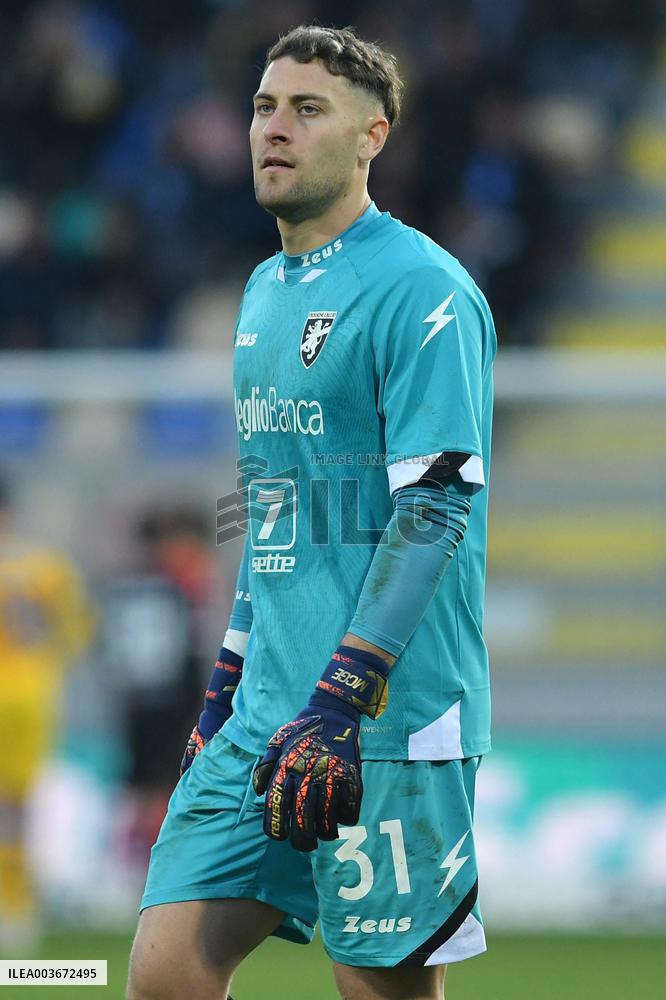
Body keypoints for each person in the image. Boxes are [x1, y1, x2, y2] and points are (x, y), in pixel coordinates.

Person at [127, 24, 496, 1000]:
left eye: (306, 108)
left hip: (382, 718)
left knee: (375, 988)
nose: (273, 129)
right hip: (265, 717)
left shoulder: (424, 292)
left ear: (372, 136)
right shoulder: (261, 292)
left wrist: (342, 696)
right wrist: (224, 692)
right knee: (166, 973)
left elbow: (435, 509)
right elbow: (275, 512)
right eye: (261, 107)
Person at [0, 475, 93, 953]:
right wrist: (48, 664)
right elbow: (77, 628)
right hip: (32, 691)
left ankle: (13, 903)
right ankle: (16, 907)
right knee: (19, 804)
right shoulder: (42, 564)